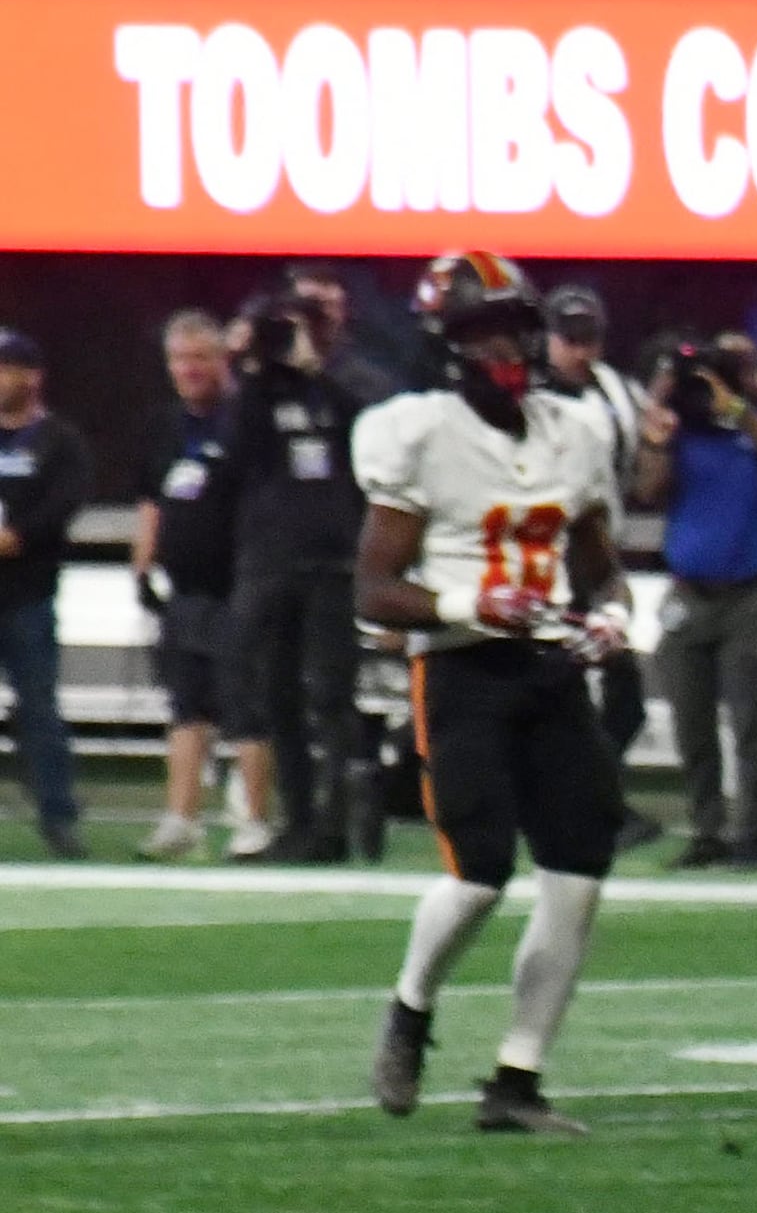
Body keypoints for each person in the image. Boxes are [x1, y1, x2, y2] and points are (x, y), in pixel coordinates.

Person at [357, 255, 633, 1140]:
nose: (508, 347)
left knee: (579, 871)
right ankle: (411, 1007)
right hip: (465, 669)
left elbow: (601, 570)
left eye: (515, 326)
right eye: (485, 331)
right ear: (448, 345)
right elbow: (372, 589)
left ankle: (518, 1077)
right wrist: (467, 602)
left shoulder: (575, 431)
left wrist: (615, 619)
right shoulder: (418, 433)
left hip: (549, 672)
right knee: (478, 877)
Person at [221, 264, 382, 864]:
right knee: (278, 693)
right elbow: (238, 453)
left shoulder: (349, 387)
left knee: (332, 697)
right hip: (274, 562)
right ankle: (299, 820)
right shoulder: (259, 395)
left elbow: (362, 440)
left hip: (332, 563)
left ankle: (338, 822)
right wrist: (253, 369)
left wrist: (317, 371)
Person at [635, 331, 757, 872]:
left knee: (750, 720)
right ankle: (706, 829)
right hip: (689, 594)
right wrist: (659, 421)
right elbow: (649, 490)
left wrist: (740, 413)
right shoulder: (683, 437)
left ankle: (752, 831)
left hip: (744, 598)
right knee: (692, 724)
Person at [129, 312, 270, 861]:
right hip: (182, 589)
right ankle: (180, 819)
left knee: (244, 705)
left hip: (238, 583)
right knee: (186, 706)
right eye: (179, 359)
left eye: (200, 358)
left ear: (221, 361)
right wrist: (143, 563)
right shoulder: (163, 426)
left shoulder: (244, 423)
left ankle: (253, 820)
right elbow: (150, 496)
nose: (189, 369)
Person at [539, 288, 654, 853]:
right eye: (569, 339)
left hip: (594, 551)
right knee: (571, 689)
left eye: (590, 340)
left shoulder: (615, 392)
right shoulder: (528, 397)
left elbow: (636, 477)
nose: (580, 352)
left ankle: (587, 798)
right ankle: (582, 802)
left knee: (621, 693)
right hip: (545, 554)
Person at [0, 327, 94, 859]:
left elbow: (65, 504)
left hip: (28, 594)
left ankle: (58, 815)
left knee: (39, 709)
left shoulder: (59, 441)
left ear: (31, 375)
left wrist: (19, 536)